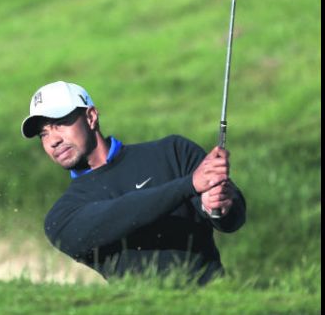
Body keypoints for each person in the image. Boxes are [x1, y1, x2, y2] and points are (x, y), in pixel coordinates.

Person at [21, 81, 246, 285]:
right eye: (44, 134)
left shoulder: (173, 152)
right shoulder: (61, 217)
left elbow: (232, 219)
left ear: (91, 117)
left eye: (59, 124)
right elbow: (118, 215)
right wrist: (188, 186)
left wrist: (218, 206)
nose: (53, 141)